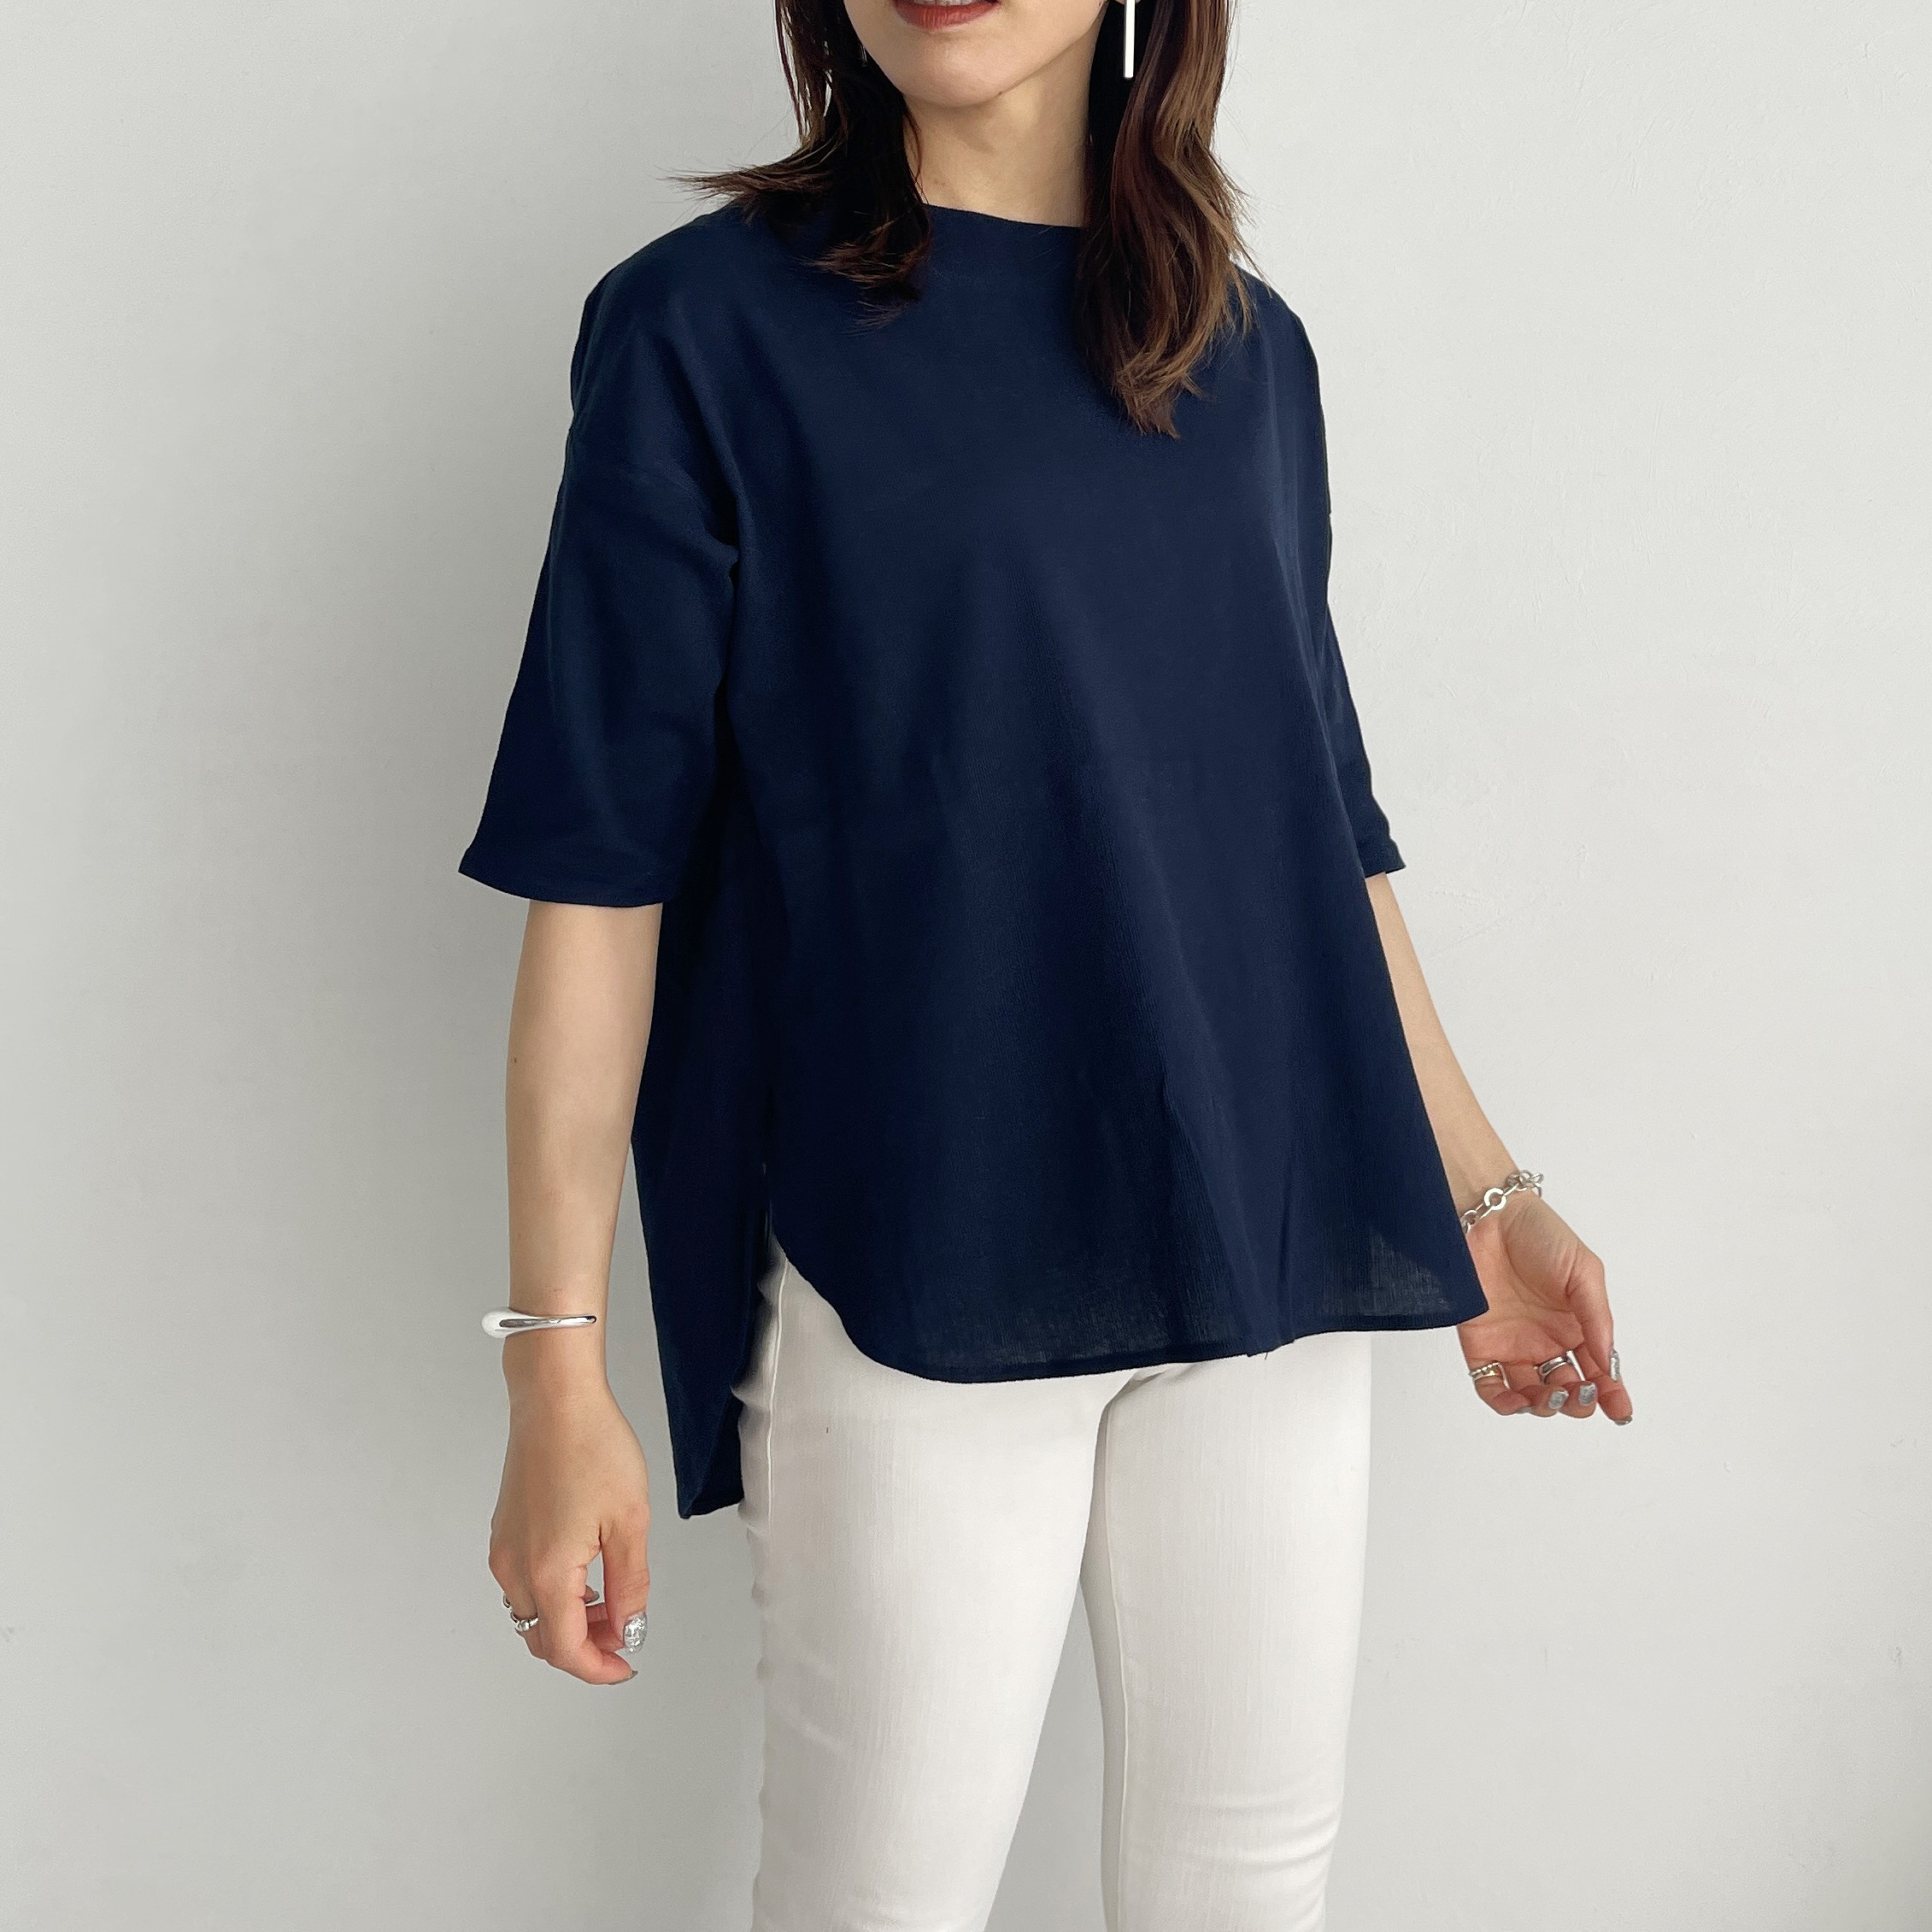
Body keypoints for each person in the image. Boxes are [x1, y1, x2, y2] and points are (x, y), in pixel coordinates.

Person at [457, 1, 1634, 1925]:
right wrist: (551, 1368)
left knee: (1248, 1881)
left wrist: (1487, 1195)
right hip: (918, 1253)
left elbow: (1316, 831)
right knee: (882, 1897)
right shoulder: (703, 329)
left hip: (1265, 1234)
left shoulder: (1251, 353)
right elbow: (599, 870)